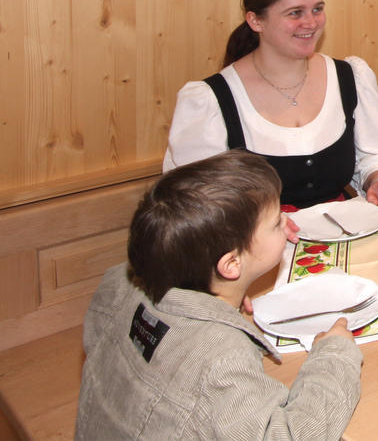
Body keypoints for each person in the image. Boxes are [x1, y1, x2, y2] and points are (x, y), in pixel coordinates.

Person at [74, 150, 361, 439]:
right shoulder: (222, 359)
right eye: (275, 223)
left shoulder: (119, 283)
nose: (286, 222)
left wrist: (227, 309)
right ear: (231, 264)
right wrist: (334, 355)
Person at [164, 0, 378, 209]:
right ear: (255, 21)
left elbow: (374, 154)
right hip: (255, 244)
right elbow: (197, 204)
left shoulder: (349, 77)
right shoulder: (210, 100)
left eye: (317, 9)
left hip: (348, 234)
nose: (311, 22)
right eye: (295, 13)